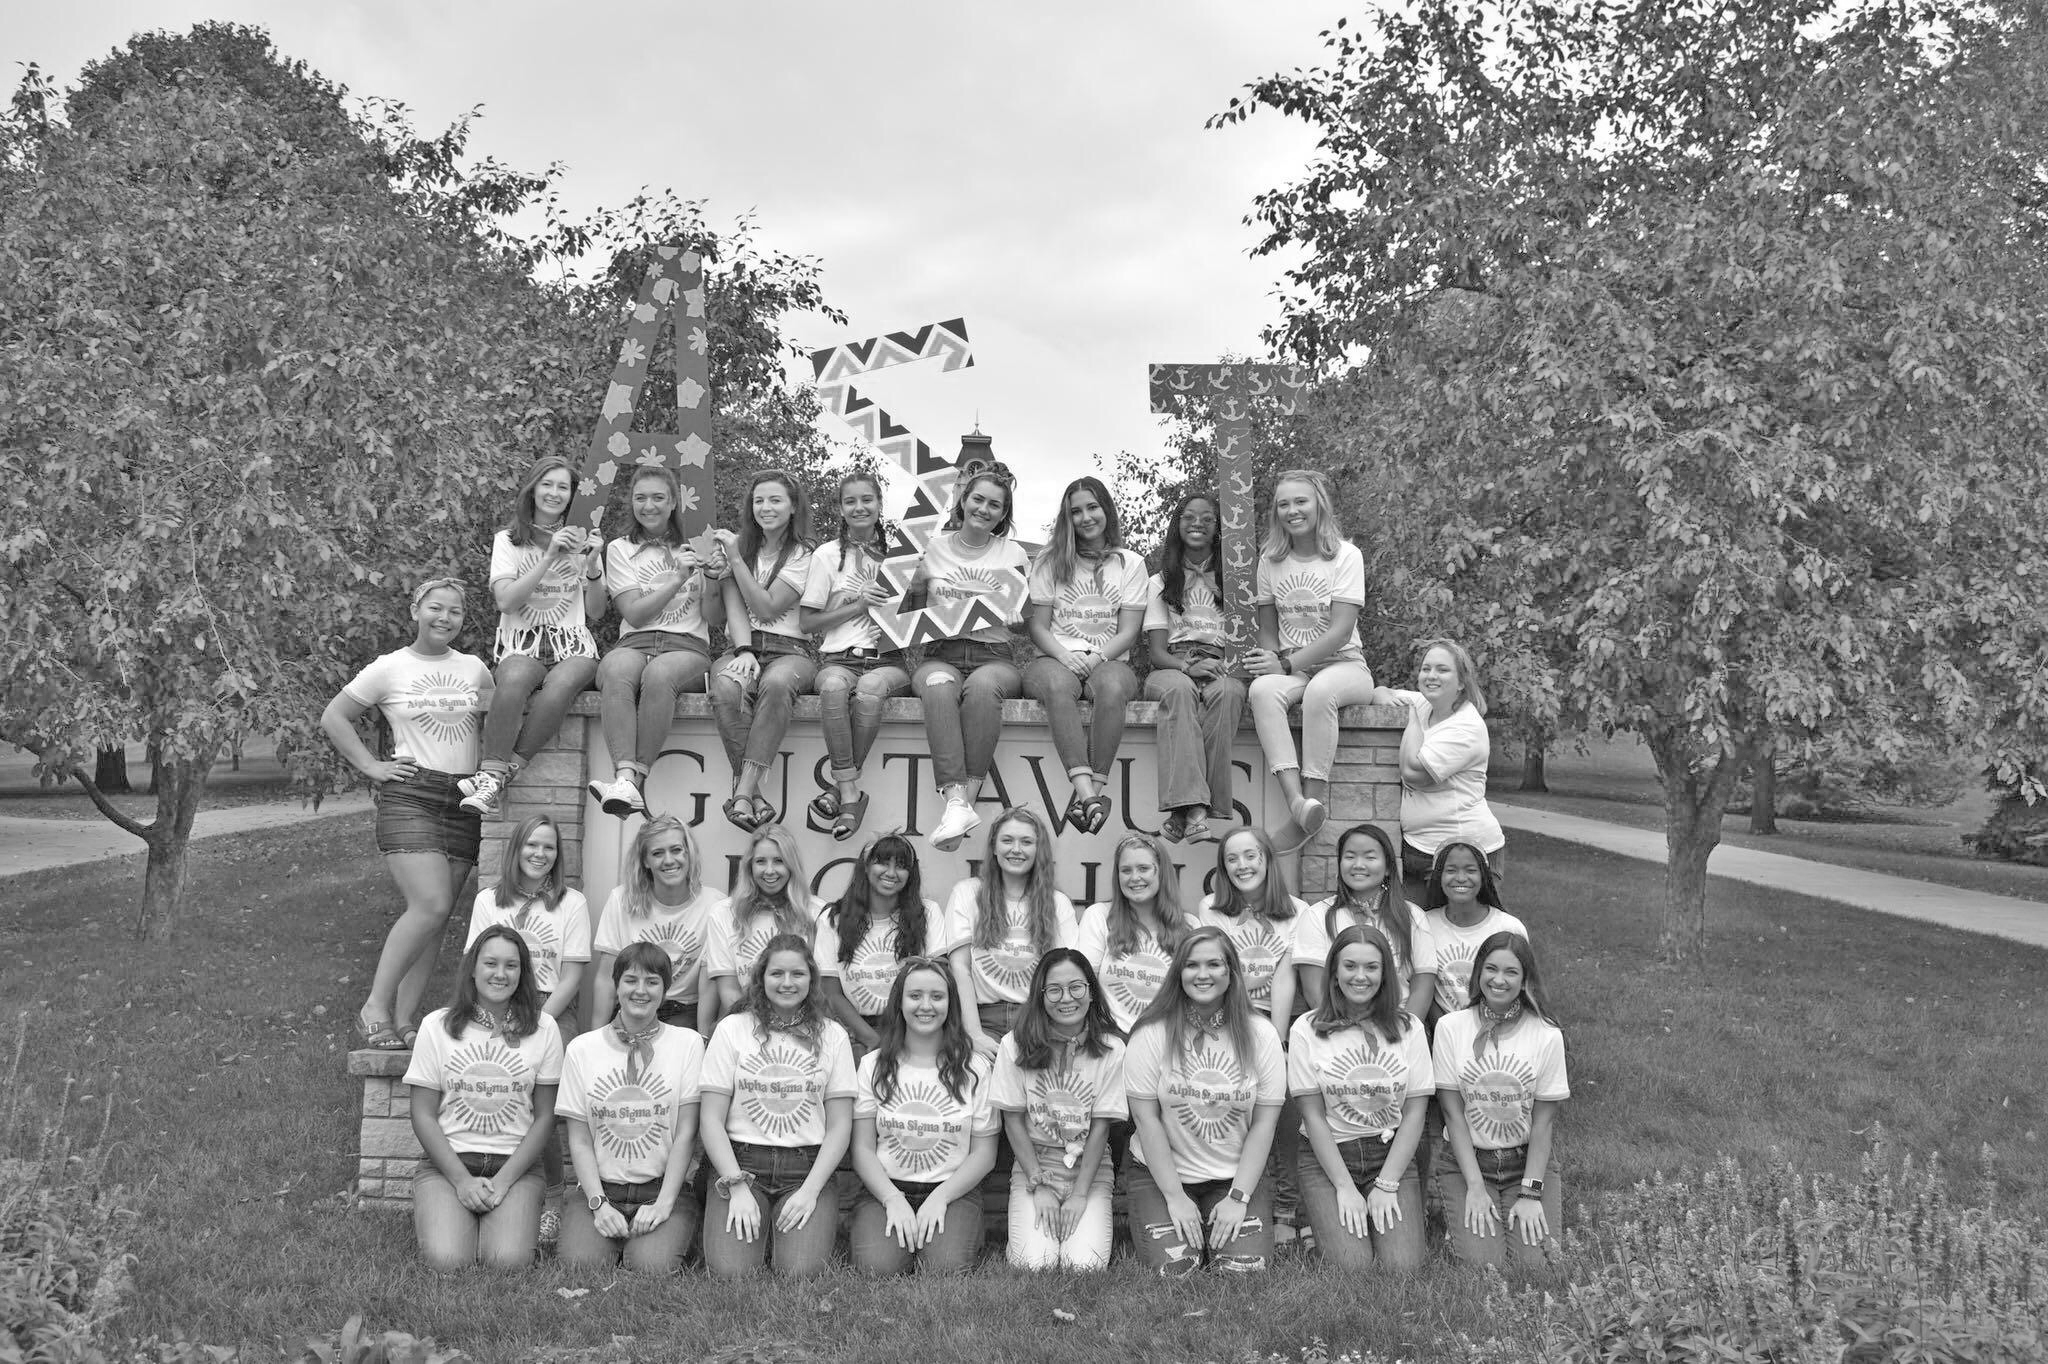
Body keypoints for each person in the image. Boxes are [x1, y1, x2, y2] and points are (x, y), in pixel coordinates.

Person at [322, 578, 493, 1051]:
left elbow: (492, 723)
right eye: (435, 608)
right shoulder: (389, 668)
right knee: (431, 904)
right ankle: (374, 1007)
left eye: (455, 611)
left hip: (461, 800)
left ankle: (403, 1019)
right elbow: (334, 717)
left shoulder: (475, 669)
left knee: (434, 917)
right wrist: (372, 766)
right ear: (416, 609)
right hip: (411, 796)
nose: (445, 618)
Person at [1123, 927, 1286, 1274]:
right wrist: (1174, 1196)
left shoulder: (1262, 1034)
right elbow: (1146, 1120)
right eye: (1191, 965)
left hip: (1235, 1178)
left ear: (1231, 972)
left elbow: (1265, 1123)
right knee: (1177, 1272)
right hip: (1162, 1176)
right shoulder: (1151, 1032)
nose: (1202, 974)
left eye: (1214, 964)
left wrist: (1239, 1198)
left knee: (1240, 1272)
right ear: (1178, 972)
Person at [403, 925, 564, 1269]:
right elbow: (422, 1114)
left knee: (507, 1261)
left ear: (522, 974)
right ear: (473, 968)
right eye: (491, 963)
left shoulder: (545, 1028)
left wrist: (504, 1182)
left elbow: (546, 1117)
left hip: (515, 1167)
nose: (500, 974)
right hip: (449, 1164)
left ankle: (500, 1217)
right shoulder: (437, 1026)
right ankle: (447, 1209)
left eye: (511, 965)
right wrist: (461, 1181)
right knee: (447, 1261)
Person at [698, 934, 856, 1278]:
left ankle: (783, 1228)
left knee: (800, 1273)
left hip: (806, 1168)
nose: (787, 983)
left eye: (797, 974)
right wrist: (735, 1186)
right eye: (777, 974)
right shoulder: (732, 1030)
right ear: (761, 978)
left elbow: (841, 1125)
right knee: (730, 1274)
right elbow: (710, 1119)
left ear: (811, 979)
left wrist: (811, 1190)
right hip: (741, 1164)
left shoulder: (832, 1036)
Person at [463, 455, 606, 818]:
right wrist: (548, 557)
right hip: (523, 642)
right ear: (532, 489)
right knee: (511, 680)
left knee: (560, 687)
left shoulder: (585, 541)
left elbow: (597, 612)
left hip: (571, 644)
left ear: (573, 496)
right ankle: (492, 772)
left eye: (563, 487)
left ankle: (500, 774)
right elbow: (506, 601)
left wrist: (591, 568)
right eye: (547, 484)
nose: (554, 493)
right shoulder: (508, 541)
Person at [1244, 469, 1375, 851]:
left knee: (1320, 692)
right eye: (1283, 504)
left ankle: (1312, 801)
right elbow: (1268, 627)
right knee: (1262, 690)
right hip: (1294, 668)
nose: (1292, 510)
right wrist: (1272, 661)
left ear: (1319, 503)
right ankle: (1298, 805)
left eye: (1300, 501)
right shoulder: (1269, 560)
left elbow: (1339, 631)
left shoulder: (1346, 556)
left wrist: (1285, 664)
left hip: (1346, 666)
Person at [1291, 925, 1433, 1271]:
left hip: (1390, 1155)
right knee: (1353, 1267)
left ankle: (1380, 1211)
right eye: (1350, 966)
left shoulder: (1410, 1028)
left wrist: (1387, 1184)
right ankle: (1320, 1227)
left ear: (1385, 974)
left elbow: (1415, 1113)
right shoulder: (1306, 1030)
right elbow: (1312, 1117)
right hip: (1329, 1158)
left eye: (1372, 967)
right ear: (1334, 973)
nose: (1360, 976)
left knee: (1403, 1268)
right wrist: (1343, 1186)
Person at [556, 943, 704, 1272]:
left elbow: (686, 1134)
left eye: (652, 981)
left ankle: (667, 1229)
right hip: (601, 1187)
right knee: (581, 1264)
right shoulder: (582, 1049)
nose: (641, 990)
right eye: (630, 980)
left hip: (663, 1187)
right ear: (616, 985)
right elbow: (578, 1140)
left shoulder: (688, 1044)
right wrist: (598, 1204)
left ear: (665, 989)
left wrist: (664, 1204)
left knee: (651, 1267)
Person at [908, 467, 1032, 851]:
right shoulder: (930, 548)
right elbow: (902, 618)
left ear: (1003, 513)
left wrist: (1018, 619)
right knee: (939, 687)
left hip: (994, 655)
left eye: (995, 504)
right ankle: (957, 804)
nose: (984, 509)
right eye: (978, 499)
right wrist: (910, 586)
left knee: (981, 690)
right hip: (940, 653)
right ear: (962, 501)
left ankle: (963, 805)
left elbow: (1026, 624)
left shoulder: (1013, 552)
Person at [849, 957, 998, 1274]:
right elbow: (861, 1148)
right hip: (886, 1188)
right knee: (878, 1268)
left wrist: (941, 1198)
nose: (925, 1006)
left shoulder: (975, 1068)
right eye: (915, 996)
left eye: (937, 996)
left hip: (953, 1189)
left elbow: (984, 1153)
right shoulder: (873, 1065)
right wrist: (892, 1199)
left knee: (945, 1268)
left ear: (951, 1004)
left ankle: (959, 1229)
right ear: (899, 1002)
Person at [1433, 932, 1568, 1269]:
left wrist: (1532, 1192)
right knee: (1485, 1267)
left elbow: (1543, 1122)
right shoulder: (1450, 1028)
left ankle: (1514, 1206)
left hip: (1525, 1163)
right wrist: (1475, 1187)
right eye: (1491, 969)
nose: (1498, 979)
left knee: (1537, 1267)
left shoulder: (1547, 1035)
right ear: (1478, 972)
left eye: (1511, 972)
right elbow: (1452, 1114)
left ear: (1525, 980)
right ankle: (1465, 1220)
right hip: (1467, 1163)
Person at [1022, 477, 1149, 835]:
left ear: (1106, 509)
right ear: (1067, 518)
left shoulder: (1131, 563)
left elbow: (1129, 631)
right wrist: (1065, 656)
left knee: (1112, 688)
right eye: (1075, 511)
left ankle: (1093, 795)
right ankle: (1087, 796)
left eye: (1092, 507)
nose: (1085, 517)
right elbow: (1038, 627)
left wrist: (1095, 659)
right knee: (1059, 687)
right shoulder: (1049, 560)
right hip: (1053, 658)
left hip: (1107, 659)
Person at [587, 465, 715, 819]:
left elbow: (715, 617)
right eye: (640, 498)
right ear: (631, 502)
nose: (649, 506)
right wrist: (676, 579)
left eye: (658, 497)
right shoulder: (619, 548)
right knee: (614, 669)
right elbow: (635, 613)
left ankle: (633, 784)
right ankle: (625, 777)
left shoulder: (699, 546)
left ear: (674, 502)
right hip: (635, 641)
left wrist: (716, 575)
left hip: (686, 645)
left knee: (659, 675)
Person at [991, 949, 1126, 1271]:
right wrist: (1038, 1185)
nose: (1066, 998)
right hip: (1035, 1164)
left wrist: (1080, 1195)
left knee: (1084, 1267)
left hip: (1089, 1171)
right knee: (1033, 1265)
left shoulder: (1111, 1049)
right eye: (1054, 989)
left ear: (1092, 992)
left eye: (1076, 987)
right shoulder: (1014, 1045)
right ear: (1041, 996)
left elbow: (1101, 1128)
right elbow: (1013, 1121)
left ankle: (1082, 1223)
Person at [801, 472, 911, 840]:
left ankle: (839, 791)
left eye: (867, 499)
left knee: (869, 689)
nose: (859, 507)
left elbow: (921, 618)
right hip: (838, 659)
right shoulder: (827, 555)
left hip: (888, 662)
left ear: (880, 504)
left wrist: (898, 617)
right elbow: (807, 622)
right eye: (850, 501)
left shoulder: (902, 556)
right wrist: (858, 605)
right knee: (832, 688)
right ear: (841, 508)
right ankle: (850, 794)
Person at [707, 470, 817, 831]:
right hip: (743, 644)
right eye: (758, 500)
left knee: (777, 684)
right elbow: (728, 609)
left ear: (793, 507)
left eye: (775, 500)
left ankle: (743, 791)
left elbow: (769, 608)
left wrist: (736, 561)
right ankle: (750, 796)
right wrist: (743, 650)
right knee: (725, 685)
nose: (765, 507)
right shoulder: (738, 547)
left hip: (791, 650)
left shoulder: (803, 554)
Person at [1143, 492, 1245, 844]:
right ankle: (1196, 810)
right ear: (1178, 524)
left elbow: (1244, 640)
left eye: (1206, 517)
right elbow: (1156, 652)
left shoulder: (1235, 581)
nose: (1197, 523)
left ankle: (1184, 811)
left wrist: (1216, 666)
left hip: (1220, 663)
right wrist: (1187, 666)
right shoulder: (1160, 580)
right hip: (1174, 663)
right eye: (1188, 516)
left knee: (1230, 693)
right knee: (1179, 690)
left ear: (1218, 528)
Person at [942, 807, 1080, 1058]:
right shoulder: (967, 893)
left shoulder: (1057, 903)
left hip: (1038, 1020)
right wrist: (974, 1035)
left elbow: (1065, 974)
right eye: (1007, 840)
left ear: (1039, 850)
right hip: (983, 1020)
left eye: (1026, 842)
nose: (1016, 849)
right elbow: (959, 967)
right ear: (994, 847)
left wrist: (1050, 1030)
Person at [1377, 639, 1505, 894]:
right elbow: (1381, 692)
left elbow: (1413, 774)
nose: (1431, 676)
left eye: (1442, 670)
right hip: (1418, 847)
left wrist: (1411, 722)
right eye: (1426, 668)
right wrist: (1391, 699)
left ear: (1461, 683)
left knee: (1465, 932)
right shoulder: (1427, 704)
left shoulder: (1465, 726)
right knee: (1415, 930)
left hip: (1464, 853)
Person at [591, 815, 725, 1034]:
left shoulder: (715, 904)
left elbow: (709, 982)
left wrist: (703, 1039)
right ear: (645, 861)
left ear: (689, 854)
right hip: (633, 1002)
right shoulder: (622, 899)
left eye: (676, 850)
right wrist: (594, 1039)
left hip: (686, 1009)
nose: (669, 860)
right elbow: (606, 978)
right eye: (657, 853)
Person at [464, 812, 590, 1038]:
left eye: (549, 847)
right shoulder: (487, 900)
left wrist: (539, 1023)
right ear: (516, 849)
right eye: (531, 844)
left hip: (551, 1006)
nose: (540, 854)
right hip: (494, 1000)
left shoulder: (573, 902)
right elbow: (472, 967)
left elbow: (571, 979)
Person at [1294, 823, 1438, 1019]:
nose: (1358, 864)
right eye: (1350, 856)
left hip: (1398, 1028)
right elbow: (1314, 991)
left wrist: (1406, 1032)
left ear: (1387, 868)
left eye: (1370, 857)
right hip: (1337, 1029)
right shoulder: (1316, 916)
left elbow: (1423, 984)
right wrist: (1346, 1032)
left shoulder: (1412, 916)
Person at [815, 833, 942, 1052]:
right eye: (882, 863)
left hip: (914, 1029)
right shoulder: (833, 918)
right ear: (865, 867)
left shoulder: (928, 913)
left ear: (910, 874)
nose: (891, 873)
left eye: (901, 866)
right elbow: (830, 992)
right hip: (856, 1032)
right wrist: (873, 1041)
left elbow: (939, 981)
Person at [1074, 832, 1189, 1034]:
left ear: (1161, 872)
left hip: (1166, 1041)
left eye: (1143, 868)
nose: (1134, 878)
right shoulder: (1099, 916)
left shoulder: (1189, 926)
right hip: (1109, 1039)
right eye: (1126, 870)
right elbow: (1082, 982)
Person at [705, 826, 821, 1018]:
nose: (769, 871)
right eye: (760, 861)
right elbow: (729, 992)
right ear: (749, 866)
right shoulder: (723, 913)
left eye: (779, 861)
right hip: (745, 1020)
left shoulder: (816, 912)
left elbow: (819, 988)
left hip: (803, 1021)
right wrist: (765, 1026)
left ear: (792, 865)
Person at [1195, 829, 1303, 1028]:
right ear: (1224, 867)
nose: (1242, 865)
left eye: (1251, 856)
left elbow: (1284, 979)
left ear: (1268, 859)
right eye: (1232, 859)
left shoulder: (1299, 911)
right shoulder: (1211, 908)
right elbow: (1221, 972)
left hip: (1274, 1014)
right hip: (1226, 1012)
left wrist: (1277, 1041)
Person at [1422, 842, 1529, 1021]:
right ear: (1438, 876)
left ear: (1483, 876)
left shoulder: (1509, 927)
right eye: (1451, 870)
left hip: (1502, 1028)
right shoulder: (1424, 924)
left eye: (1470, 870)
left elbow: (1526, 986)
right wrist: (1445, 1027)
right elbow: (1422, 985)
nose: (1461, 878)